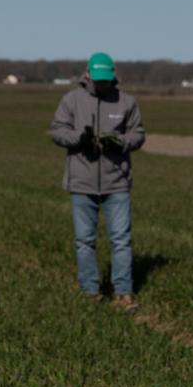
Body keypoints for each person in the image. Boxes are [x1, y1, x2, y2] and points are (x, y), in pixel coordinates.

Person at [49, 52, 145, 312]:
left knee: (121, 240)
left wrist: (120, 141)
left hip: (117, 183)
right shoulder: (71, 100)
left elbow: (138, 134)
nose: (102, 84)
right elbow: (57, 131)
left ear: (113, 75)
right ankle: (90, 291)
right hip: (82, 182)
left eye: (107, 79)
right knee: (84, 241)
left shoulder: (126, 102)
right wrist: (79, 138)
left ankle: (123, 292)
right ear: (88, 74)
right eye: (97, 79)